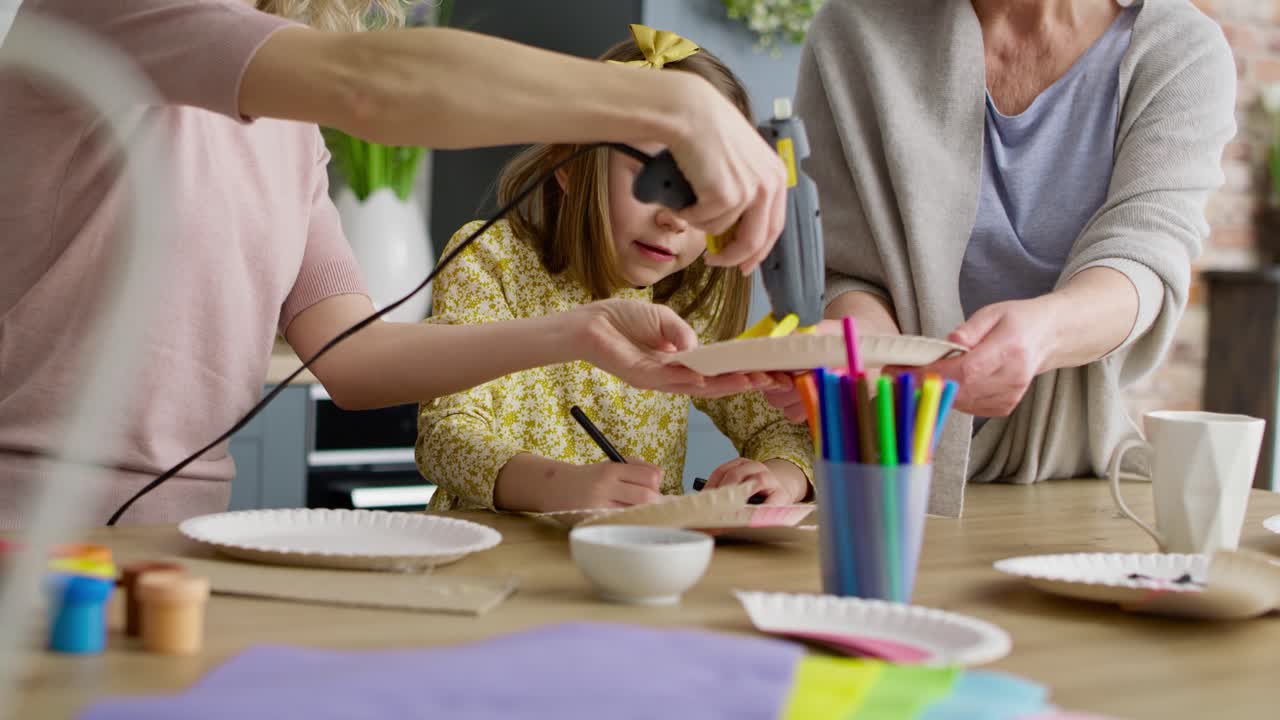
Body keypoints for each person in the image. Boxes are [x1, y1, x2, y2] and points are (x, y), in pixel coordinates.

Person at [0, 0, 791, 526]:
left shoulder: (286, 127)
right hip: (24, 519)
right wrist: (668, 104)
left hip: (179, 534)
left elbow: (355, 357)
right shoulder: (105, 7)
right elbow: (372, 87)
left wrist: (581, 332)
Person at [766, 0, 1236, 516]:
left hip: (1065, 483)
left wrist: (1043, 334)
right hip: (882, 478)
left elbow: (1145, 256)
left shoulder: (1178, 48)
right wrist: (862, 349)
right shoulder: (854, 30)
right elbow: (844, 267)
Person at [417, 26, 814, 513]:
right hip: (492, 558)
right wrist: (554, 486)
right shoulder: (490, 260)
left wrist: (779, 476)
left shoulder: (688, 297)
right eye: (655, 177)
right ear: (569, 164)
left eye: (700, 188)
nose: (674, 217)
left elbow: (777, 425)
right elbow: (444, 437)